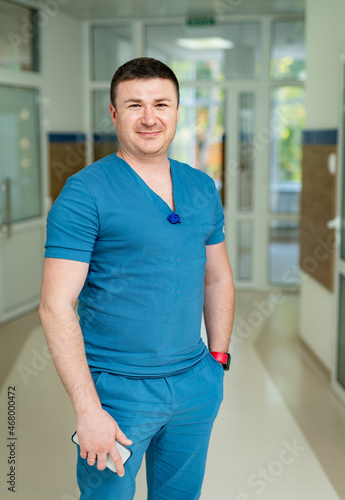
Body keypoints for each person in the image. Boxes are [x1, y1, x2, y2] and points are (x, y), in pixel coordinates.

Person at [39, 57, 235, 500]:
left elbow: (217, 278)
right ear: (113, 113)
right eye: (134, 105)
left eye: (161, 103)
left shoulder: (202, 187)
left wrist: (218, 360)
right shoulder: (85, 192)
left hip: (194, 384)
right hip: (117, 392)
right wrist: (89, 409)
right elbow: (54, 305)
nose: (150, 118)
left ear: (178, 110)